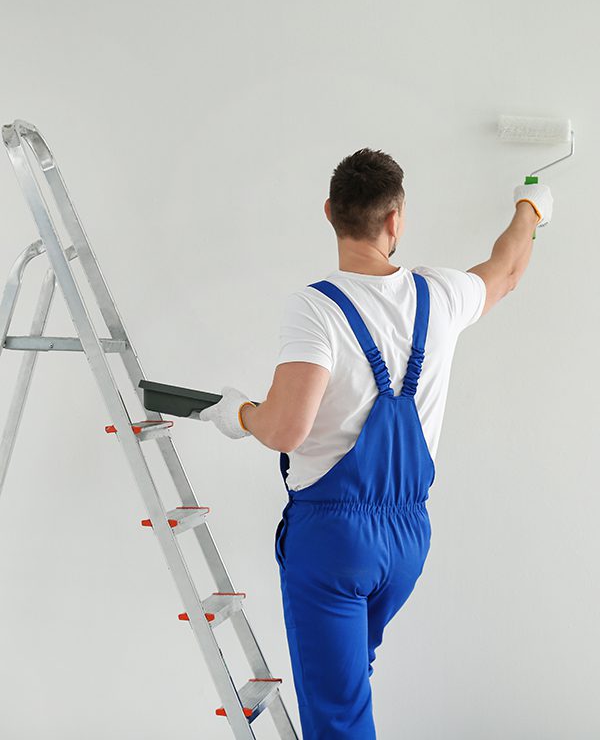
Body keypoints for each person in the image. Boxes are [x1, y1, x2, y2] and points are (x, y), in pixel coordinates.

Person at [199, 148, 553, 739]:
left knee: (338, 718)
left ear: (329, 212)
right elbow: (508, 271)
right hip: (407, 542)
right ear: (396, 220)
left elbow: (285, 428)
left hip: (333, 542)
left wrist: (238, 412)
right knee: (349, 682)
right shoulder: (439, 294)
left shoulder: (315, 308)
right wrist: (530, 210)